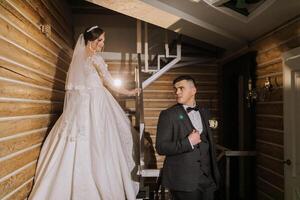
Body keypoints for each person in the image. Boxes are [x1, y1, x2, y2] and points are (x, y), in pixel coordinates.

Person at [28, 26, 139, 200]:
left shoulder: (77, 58)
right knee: (101, 141)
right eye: (101, 40)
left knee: (86, 141)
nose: (103, 43)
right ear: (92, 40)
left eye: (103, 40)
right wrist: (129, 92)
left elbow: (73, 88)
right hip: (96, 103)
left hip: (81, 104)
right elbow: (110, 83)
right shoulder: (95, 59)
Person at [155, 75, 220, 200]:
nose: (177, 92)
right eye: (175, 89)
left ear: (193, 90)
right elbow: (161, 147)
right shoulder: (168, 115)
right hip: (183, 182)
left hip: (208, 179)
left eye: (181, 88)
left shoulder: (205, 112)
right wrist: (188, 142)